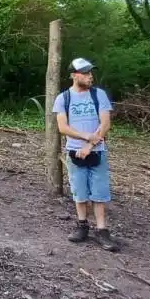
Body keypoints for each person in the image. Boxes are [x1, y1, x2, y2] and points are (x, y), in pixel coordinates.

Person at [53, 57, 118, 252]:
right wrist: (85, 136)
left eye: (91, 73)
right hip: (74, 152)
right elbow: (63, 127)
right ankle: (82, 226)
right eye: (86, 73)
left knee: (99, 193)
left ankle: (102, 230)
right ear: (74, 76)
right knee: (79, 192)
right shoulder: (63, 98)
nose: (90, 76)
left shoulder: (99, 95)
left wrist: (90, 144)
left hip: (96, 151)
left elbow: (105, 124)